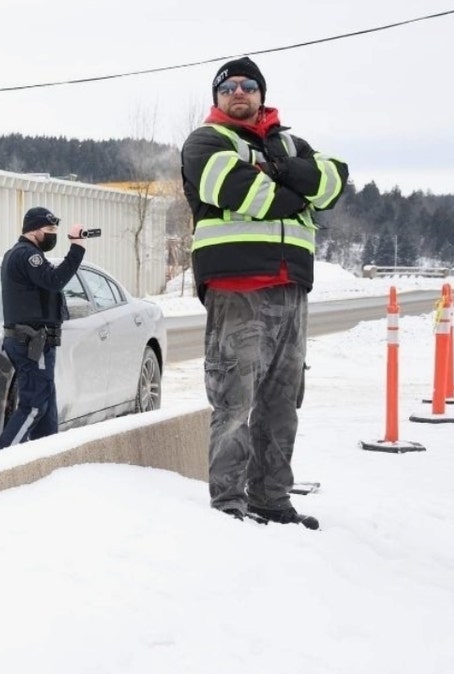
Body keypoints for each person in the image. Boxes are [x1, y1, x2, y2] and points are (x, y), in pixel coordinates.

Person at [180, 57, 348, 529]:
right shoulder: (206, 142)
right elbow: (247, 194)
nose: (239, 91)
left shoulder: (293, 143)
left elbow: (335, 182)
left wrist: (279, 170)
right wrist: (296, 183)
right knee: (234, 403)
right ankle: (229, 506)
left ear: (261, 93)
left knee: (281, 403)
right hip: (237, 288)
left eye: (248, 85)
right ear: (216, 97)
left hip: (291, 287)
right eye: (228, 86)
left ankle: (272, 500)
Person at [0, 206, 91, 449]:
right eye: (49, 230)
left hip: (37, 342)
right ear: (33, 230)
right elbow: (55, 280)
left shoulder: (24, 254)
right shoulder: (27, 255)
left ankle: (46, 460)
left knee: (47, 410)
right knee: (35, 405)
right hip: (32, 343)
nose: (53, 235)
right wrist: (77, 248)